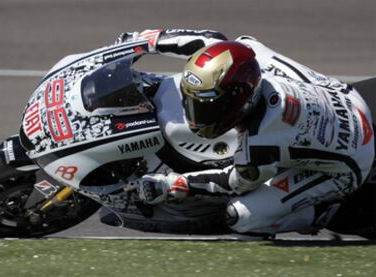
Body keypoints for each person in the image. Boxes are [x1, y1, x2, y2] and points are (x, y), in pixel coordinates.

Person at [116, 29, 375, 236]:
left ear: (236, 102)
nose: (191, 111)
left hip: (351, 163)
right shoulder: (250, 53)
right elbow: (209, 41)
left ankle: (319, 213)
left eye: (204, 105)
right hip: (346, 98)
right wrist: (144, 41)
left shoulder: (259, 142)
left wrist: (171, 183)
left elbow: (234, 182)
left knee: (241, 217)